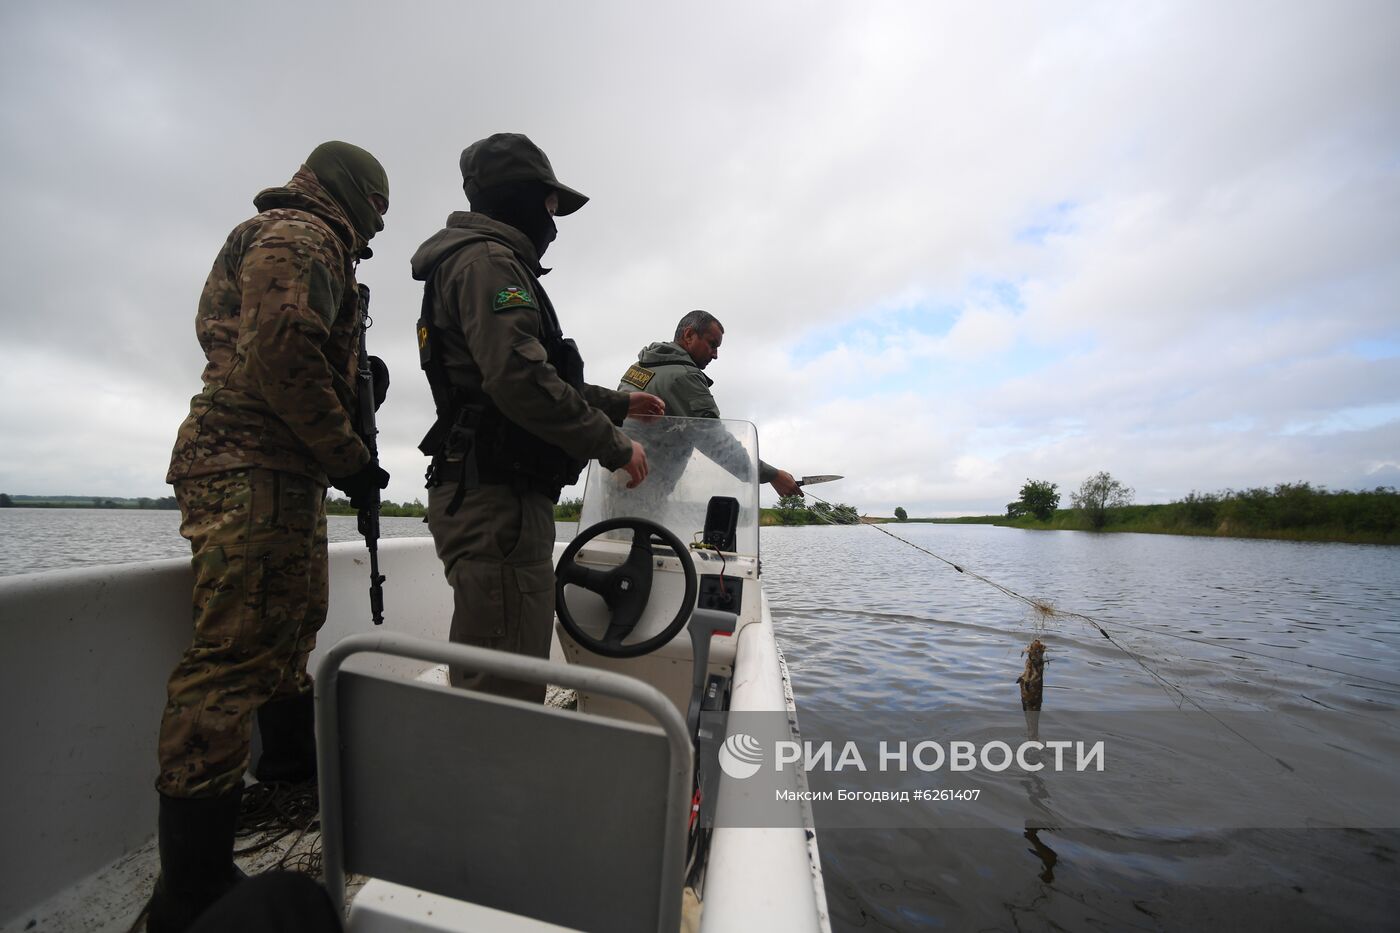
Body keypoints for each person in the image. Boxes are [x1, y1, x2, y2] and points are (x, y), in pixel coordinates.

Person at [151, 141, 391, 933]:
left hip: (278, 465)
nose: (374, 235)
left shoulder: (301, 238)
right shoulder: (301, 235)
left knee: (289, 628)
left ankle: (288, 772)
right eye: (376, 216)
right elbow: (281, 350)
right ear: (353, 197)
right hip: (249, 460)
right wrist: (351, 457)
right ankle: (190, 886)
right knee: (232, 659)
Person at [412, 133, 661, 700]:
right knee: (503, 681)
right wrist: (614, 444)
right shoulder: (488, 263)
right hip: (497, 498)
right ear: (519, 197)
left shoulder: (481, 261)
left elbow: (523, 371)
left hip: (495, 494)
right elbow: (519, 379)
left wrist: (620, 402)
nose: (553, 221)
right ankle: (482, 787)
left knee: (504, 661)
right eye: (549, 204)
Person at [620, 310, 802, 497]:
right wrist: (772, 475)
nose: (715, 355)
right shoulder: (686, 377)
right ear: (689, 335)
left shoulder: (641, 366)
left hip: (614, 481)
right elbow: (715, 441)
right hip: (642, 491)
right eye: (712, 344)